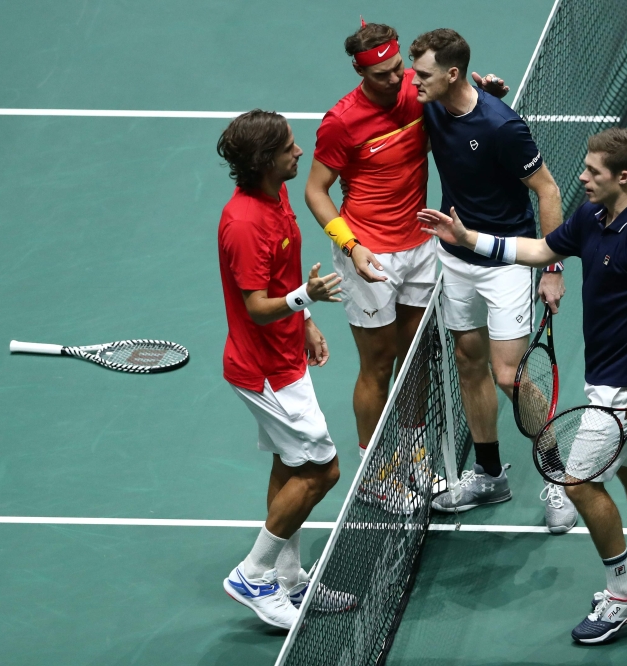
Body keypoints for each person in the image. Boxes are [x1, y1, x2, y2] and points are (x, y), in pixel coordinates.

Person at [419, 127, 627, 643]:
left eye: (593, 171)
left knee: (577, 482)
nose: (582, 177)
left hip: (624, 389)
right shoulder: (592, 215)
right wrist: (469, 239)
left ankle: (622, 594)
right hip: (606, 376)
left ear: (623, 178)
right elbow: (541, 250)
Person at [305, 20, 511, 509]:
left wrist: (486, 93)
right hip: (368, 252)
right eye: (382, 76)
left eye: (400, 70)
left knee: (416, 357)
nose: (397, 82)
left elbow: (460, 101)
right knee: (378, 364)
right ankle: (376, 472)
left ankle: (414, 455)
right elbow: (315, 191)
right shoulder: (341, 121)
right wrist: (352, 247)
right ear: (360, 71)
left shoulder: (416, 94)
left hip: (419, 245)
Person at [408, 28, 576, 531]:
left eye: (422, 74)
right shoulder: (432, 104)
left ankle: (558, 477)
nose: (413, 83)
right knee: (468, 362)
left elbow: (548, 190)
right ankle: (488, 475)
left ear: (452, 74)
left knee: (509, 375)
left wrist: (551, 267)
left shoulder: (502, 126)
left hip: (507, 261)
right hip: (455, 255)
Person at [217, 110, 346, 629]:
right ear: (266, 160)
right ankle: (253, 574)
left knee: (293, 466)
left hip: (287, 354)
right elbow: (256, 304)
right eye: (291, 147)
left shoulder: (277, 194)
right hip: (264, 369)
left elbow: (283, 277)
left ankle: (287, 581)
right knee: (323, 469)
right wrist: (302, 298)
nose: (300, 153)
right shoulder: (245, 223)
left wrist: (307, 318)